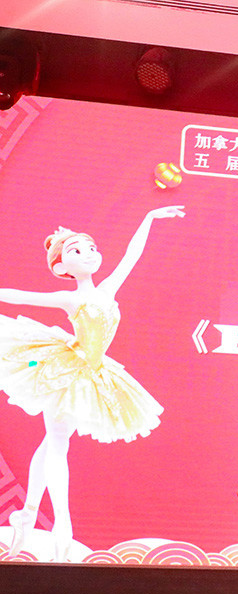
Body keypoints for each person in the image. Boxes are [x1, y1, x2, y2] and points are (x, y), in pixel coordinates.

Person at [0, 205, 186, 561]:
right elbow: (19, 296)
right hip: (66, 369)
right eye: (76, 250)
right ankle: (63, 525)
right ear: (61, 269)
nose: (87, 253)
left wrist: (148, 216)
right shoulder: (71, 298)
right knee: (57, 443)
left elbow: (132, 254)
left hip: (94, 373)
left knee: (53, 441)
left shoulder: (108, 289)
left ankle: (28, 512)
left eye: (90, 247)